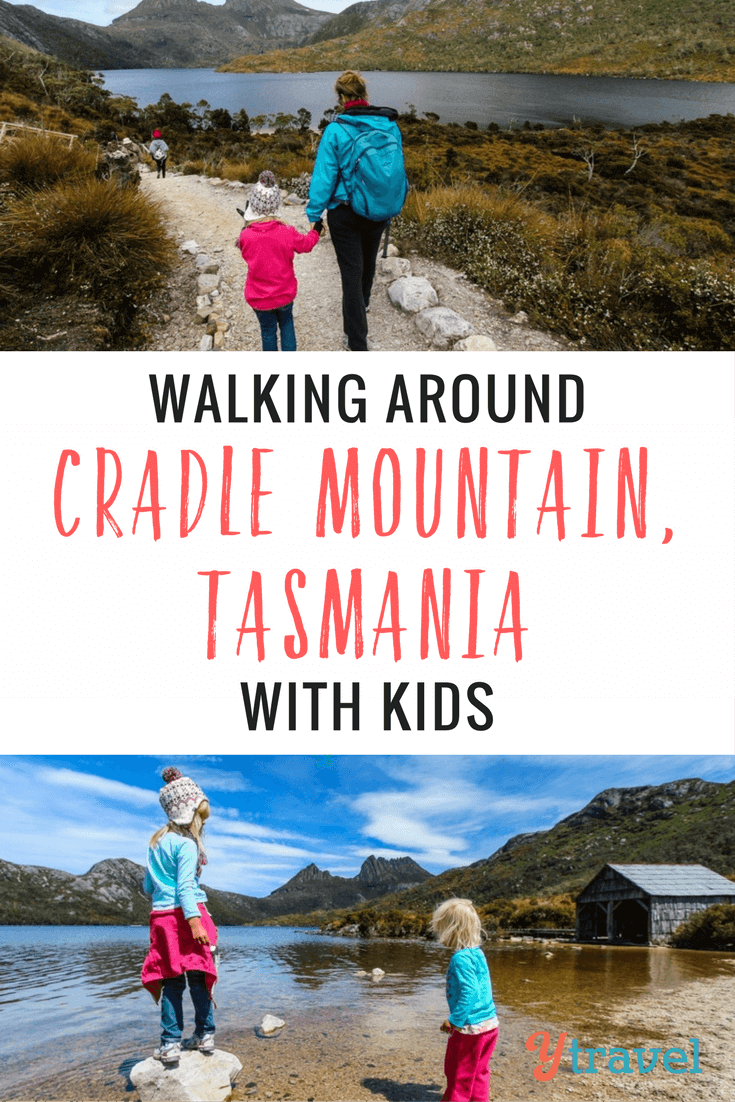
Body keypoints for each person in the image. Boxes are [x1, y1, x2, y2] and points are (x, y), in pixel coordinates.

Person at [305, 71, 408, 351]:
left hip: (346, 213)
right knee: (368, 262)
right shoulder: (389, 126)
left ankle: (356, 341)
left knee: (351, 272)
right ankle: (363, 305)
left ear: (341, 97)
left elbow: (324, 177)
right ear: (365, 95)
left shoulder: (336, 130)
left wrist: (314, 214)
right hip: (378, 208)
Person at [141, 767, 218, 1065]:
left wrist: (161, 883)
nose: (203, 824)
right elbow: (186, 887)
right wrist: (195, 921)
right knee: (198, 978)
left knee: (171, 982)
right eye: (201, 817)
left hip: (162, 919)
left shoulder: (155, 844)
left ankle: (170, 1044)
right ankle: (204, 1034)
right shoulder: (186, 844)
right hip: (187, 918)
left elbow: (148, 885)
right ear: (189, 814)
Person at [237, 170, 322, 351]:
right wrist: (316, 231)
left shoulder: (245, 236)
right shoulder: (287, 232)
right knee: (286, 325)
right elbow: (306, 245)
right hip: (284, 294)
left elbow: (245, 252)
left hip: (259, 297)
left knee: (267, 332)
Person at [432, 898, 499, 1102]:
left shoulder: (459, 958)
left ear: (451, 930)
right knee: (479, 1071)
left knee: (458, 1070)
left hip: (470, 1028)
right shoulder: (477, 953)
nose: (439, 934)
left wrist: (454, 1020)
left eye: (441, 928)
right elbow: (482, 988)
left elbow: (469, 992)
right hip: (490, 1024)